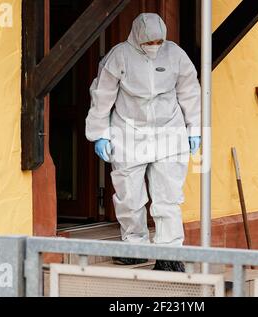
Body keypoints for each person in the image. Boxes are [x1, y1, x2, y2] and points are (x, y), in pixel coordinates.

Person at [86, 13, 201, 272]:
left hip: (168, 132)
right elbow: (102, 94)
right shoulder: (119, 56)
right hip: (129, 131)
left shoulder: (175, 55)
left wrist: (194, 128)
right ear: (138, 38)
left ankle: (169, 254)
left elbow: (190, 91)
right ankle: (134, 246)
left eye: (159, 41)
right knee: (129, 194)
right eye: (149, 41)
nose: (154, 46)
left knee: (168, 196)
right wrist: (100, 133)